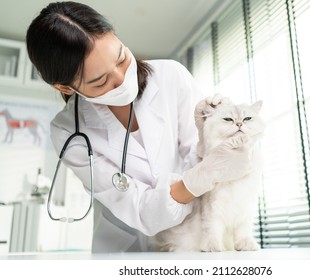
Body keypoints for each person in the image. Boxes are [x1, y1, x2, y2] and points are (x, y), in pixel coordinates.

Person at [26, 1, 251, 252]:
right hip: (125, 249)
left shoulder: (170, 76)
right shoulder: (67, 131)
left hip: (193, 238)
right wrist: (198, 179)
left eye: (121, 58)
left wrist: (210, 136)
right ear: (65, 87)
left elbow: (207, 159)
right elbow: (139, 207)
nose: (122, 79)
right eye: (101, 82)